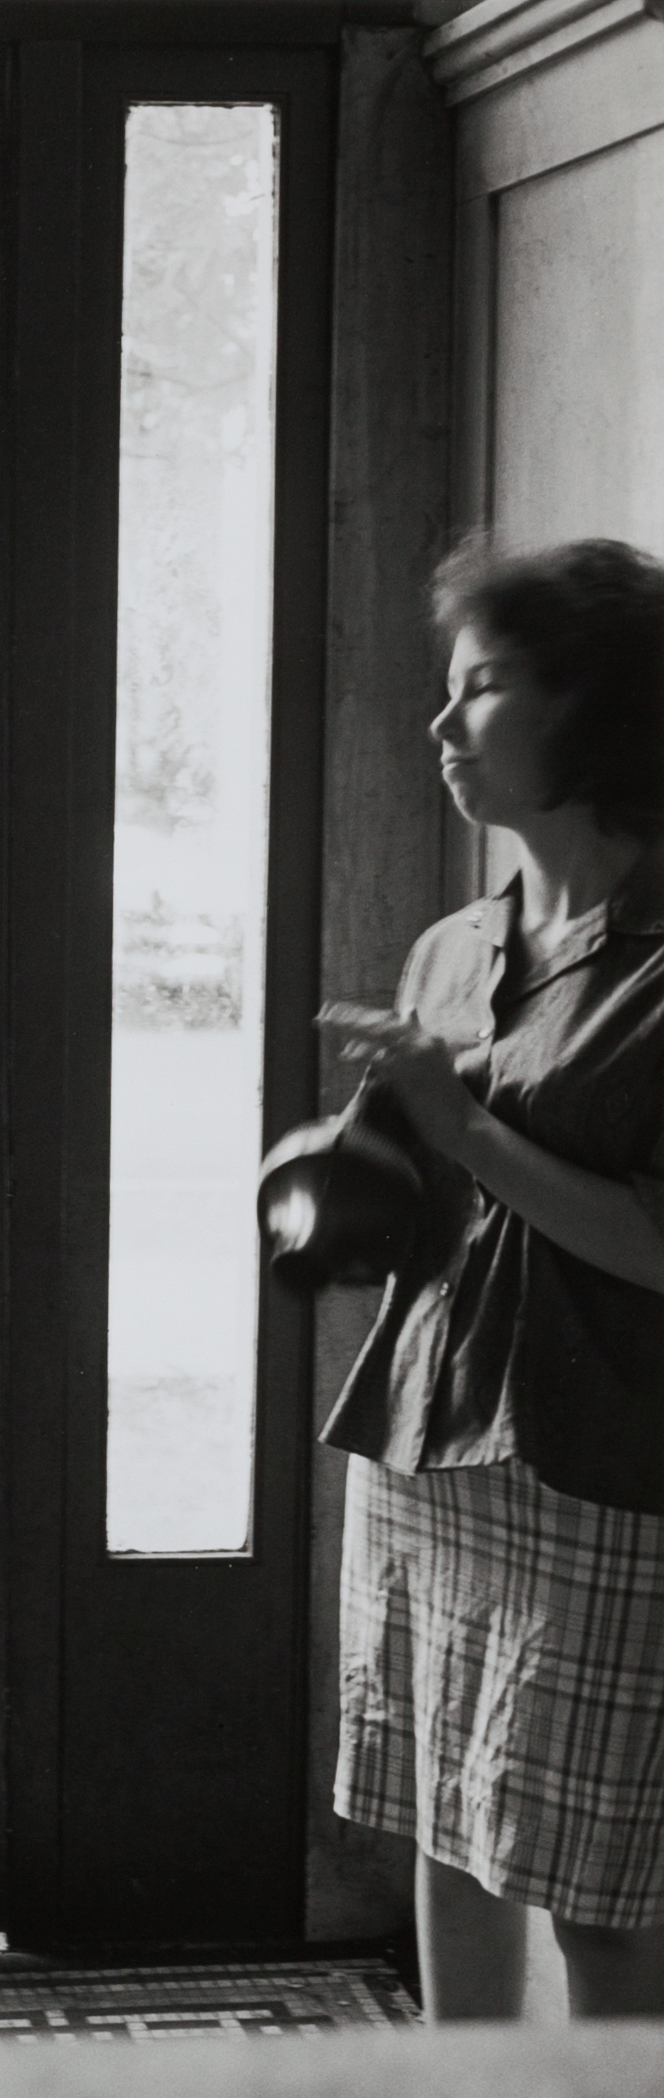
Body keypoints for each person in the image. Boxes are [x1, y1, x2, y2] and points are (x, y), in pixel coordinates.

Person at [319, 537, 664, 2021]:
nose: (441, 726)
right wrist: (343, 1182)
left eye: (480, 690)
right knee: (445, 1838)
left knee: (598, 1905)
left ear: (595, 707)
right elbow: (444, 1199)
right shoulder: (454, 948)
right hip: (427, 1443)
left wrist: (456, 1119)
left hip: (602, 1465)